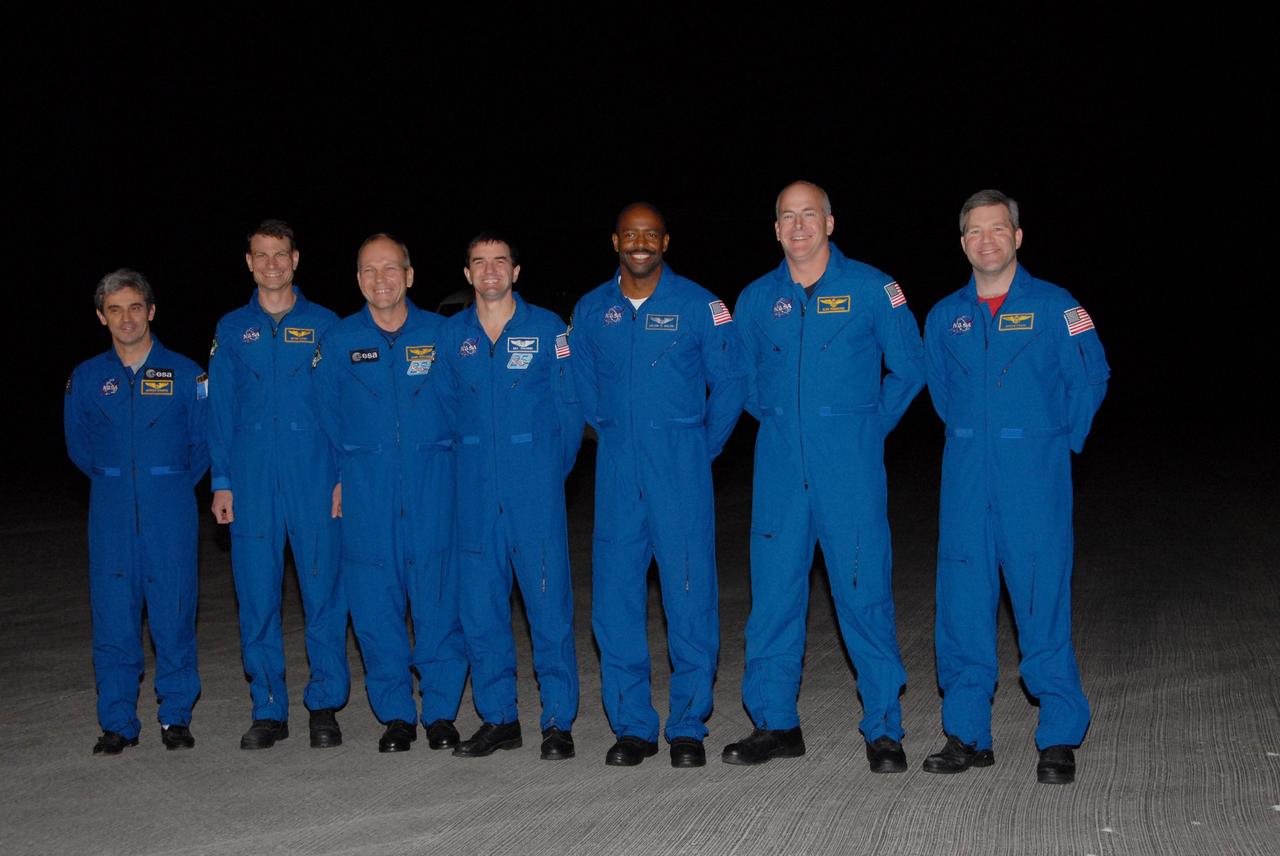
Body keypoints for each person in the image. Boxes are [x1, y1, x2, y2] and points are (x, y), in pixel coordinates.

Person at [728, 181, 924, 772]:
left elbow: (909, 367)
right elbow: (742, 378)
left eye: (808, 214)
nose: (798, 226)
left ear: (830, 223)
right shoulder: (756, 299)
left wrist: (866, 427)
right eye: (787, 216)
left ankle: (884, 728)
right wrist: (783, 420)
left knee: (864, 595)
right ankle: (775, 723)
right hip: (780, 473)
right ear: (775, 229)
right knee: (773, 601)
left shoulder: (872, 287)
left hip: (850, 472)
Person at [921, 189, 1109, 785]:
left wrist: (1055, 442)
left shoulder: (1056, 305)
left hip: (1033, 477)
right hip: (965, 477)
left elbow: (1091, 376)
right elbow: (941, 391)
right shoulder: (944, 316)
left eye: (998, 228)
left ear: (1018, 236)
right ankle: (967, 734)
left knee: (1038, 598)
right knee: (962, 605)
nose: (988, 240)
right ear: (963, 243)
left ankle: (1058, 734)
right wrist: (975, 435)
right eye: (975, 231)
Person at [571, 203, 747, 768]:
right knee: (615, 601)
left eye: (650, 234)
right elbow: (579, 386)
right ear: (615, 241)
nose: (640, 243)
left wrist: (699, 446)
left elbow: (731, 382)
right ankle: (632, 727)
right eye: (631, 234)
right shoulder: (592, 310)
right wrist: (611, 432)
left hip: (681, 471)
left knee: (690, 597)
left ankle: (688, 725)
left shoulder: (701, 305)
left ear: (666, 241)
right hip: (618, 473)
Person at [312, 234, 468, 752]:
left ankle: (441, 712)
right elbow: (326, 415)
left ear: (410, 274)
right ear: (358, 279)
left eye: (390, 268)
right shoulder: (338, 341)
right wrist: (344, 472)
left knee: (439, 598)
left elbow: (462, 408)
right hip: (368, 489)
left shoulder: (442, 335)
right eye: (369, 270)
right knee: (375, 605)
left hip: (433, 484)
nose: (381, 279)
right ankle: (396, 714)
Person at [436, 234, 581, 761]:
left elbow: (569, 410)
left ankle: (558, 721)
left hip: (534, 491)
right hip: (475, 493)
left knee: (548, 606)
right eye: (480, 262)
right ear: (468, 273)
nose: (491, 270)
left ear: (516, 272)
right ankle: (499, 718)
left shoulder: (548, 329)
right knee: (480, 611)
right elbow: (445, 409)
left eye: (500, 262)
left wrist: (546, 473)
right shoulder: (452, 336)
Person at [208, 219, 350, 750]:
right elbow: (220, 411)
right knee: (257, 596)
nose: (272, 264)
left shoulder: (326, 325)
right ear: (249, 263)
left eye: (280, 254)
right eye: (261, 255)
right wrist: (222, 481)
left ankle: (325, 704)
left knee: (323, 593)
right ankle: (268, 707)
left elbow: (342, 408)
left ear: (296, 260)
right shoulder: (230, 329)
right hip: (251, 482)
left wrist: (342, 478)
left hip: (314, 477)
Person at [64, 269, 208, 755]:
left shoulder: (187, 374)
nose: (126, 318)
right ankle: (118, 722)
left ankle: (176, 716)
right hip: (110, 515)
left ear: (151, 311)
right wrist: (118, 482)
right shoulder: (86, 378)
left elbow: (202, 443)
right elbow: (78, 446)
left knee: (174, 612)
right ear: (101, 316)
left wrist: (164, 483)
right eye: (115, 309)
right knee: (113, 619)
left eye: (134, 307)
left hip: (170, 512)